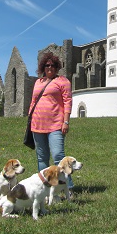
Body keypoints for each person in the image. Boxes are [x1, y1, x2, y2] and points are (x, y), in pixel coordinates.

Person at [29, 52, 73, 189]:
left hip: (55, 125)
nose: (50, 67)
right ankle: (45, 187)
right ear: (43, 67)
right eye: (47, 65)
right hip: (37, 124)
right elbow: (33, 101)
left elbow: (68, 102)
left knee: (59, 157)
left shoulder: (63, 81)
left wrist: (65, 122)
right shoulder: (38, 82)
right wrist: (29, 118)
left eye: (53, 65)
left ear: (57, 67)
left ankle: (68, 187)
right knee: (42, 158)